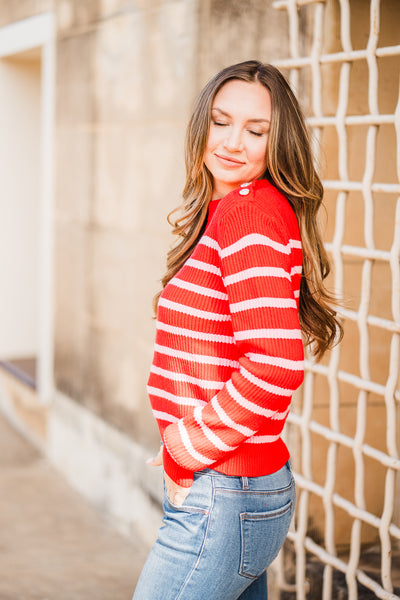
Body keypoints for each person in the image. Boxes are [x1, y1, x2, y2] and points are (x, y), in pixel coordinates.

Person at [132, 60, 342, 600]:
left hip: (223, 490)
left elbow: (275, 364)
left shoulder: (247, 215)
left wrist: (185, 445)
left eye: (256, 131)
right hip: (234, 487)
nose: (232, 142)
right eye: (221, 122)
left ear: (280, 142)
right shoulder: (233, 209)